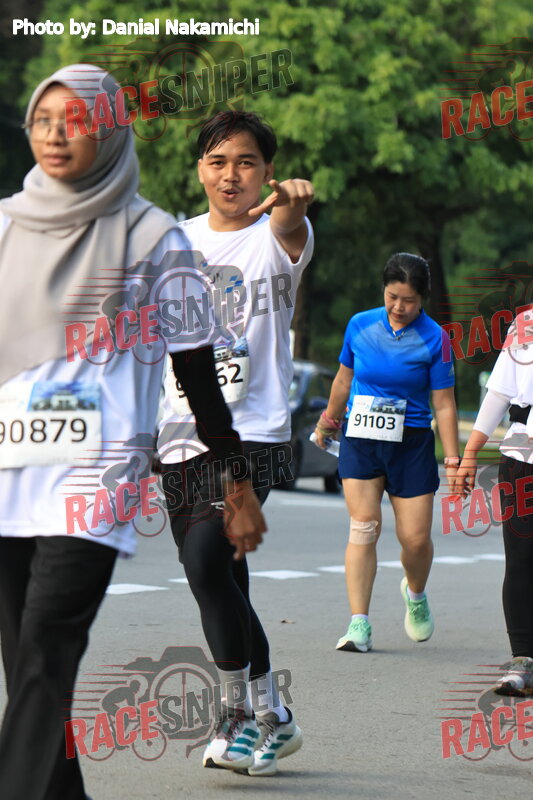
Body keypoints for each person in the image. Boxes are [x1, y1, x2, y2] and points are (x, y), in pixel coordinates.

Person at [0, 66, 265, 800]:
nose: (56, 134)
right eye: (43, 118)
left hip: (96, 476)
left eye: (77, 120)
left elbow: (199, 375)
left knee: (46, 651)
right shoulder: (7, 224)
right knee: (26, 665)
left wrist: (236, 481)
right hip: (9, 467)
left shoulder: (154, 240)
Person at [157, 110, 314, 776]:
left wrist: (293, 207)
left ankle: (235, 716)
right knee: (223, 576)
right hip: (179, 435)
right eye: (218, 161)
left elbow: (290, 226)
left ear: (267, 173)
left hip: (254, 437)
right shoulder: (174, 241)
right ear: (200, 169)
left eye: (246, 162)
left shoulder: (276, 237)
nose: (231, 175)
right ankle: (275, 715)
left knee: (204, 560)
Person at [314, 253, 459, 652]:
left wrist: (453, 459)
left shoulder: (436, 339)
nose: (398, 307)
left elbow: (444, 403)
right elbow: (343, 379)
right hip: (361, 436)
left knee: (415, 539)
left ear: (422, 298)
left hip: (411, 443)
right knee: (364, 526)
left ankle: (416, 593)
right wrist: (328, 421)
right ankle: (358, 624)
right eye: (392, 296)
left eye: (408, 300)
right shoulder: (360, 325)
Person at [456, 308, 533, 695]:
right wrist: (470, 454)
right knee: (521, 559)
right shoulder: (526, 324)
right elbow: (500, 392)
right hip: (523, 452)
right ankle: (523, 660)